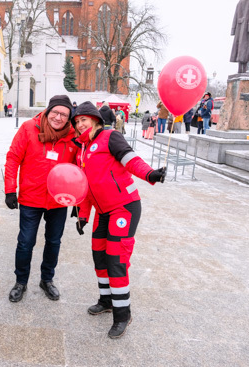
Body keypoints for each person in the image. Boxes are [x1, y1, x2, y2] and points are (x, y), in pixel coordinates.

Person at [71, 101, 166, 339]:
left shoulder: (110, 136)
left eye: (84, 119)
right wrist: (83, 214)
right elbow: (84, 187)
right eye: (77, 121)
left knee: (116, 260)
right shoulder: (82, 149)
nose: (80, 124)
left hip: (124, 208)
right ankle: (107, 300)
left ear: (94, 119)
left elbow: (130, 160)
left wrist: (150, 174)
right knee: (99, 256)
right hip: (103, 211)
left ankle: (123, 314)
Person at [4, 95, 77, 303]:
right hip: (31, 197)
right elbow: (13, 158)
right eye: (55, 112)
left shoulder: (73, 136)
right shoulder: (29, 128)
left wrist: (78, 200)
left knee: (54, 242)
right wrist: (10, 190)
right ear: (47, 111)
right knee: (26, 242)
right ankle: (21, 281)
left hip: (58, 200)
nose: (58, 117)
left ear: (69, 117)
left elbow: (79, 170)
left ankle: (47, 280)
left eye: (64, 114)